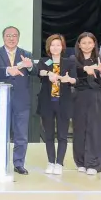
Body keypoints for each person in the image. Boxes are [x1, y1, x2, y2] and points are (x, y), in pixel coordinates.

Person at [0, 26, 34, 175]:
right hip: (2, 100)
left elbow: (33, 72)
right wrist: (8, 70)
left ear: (18, 38)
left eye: (14, 35)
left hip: (21, 100)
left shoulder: (26, 54)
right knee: (2, 133)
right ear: (3, 37)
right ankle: (2, 162)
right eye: (8, 35)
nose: (11, 38)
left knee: (21, 134)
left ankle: (19, 163)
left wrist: (30, 66)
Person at [37, 33, 76, 174]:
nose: (55, 47)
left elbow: (75, 79)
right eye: (52, 45)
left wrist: (69, 80)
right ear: (49, 47)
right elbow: (39, 72)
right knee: (48, 135)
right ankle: (50, 162)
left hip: (63, 103)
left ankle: (59, 163)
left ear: (62, 47)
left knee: (62, 135)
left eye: (58, 45)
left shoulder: (69, 62)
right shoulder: (44, 61)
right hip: (48, 103)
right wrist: (48, 74)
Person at [72, 31, 101, 175]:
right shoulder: (73, 59)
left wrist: (100, 73)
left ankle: (93, 164)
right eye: (84, 43)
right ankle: (80, 162)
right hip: (79, 97)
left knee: (95, 130)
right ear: (79, 45)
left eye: (90, 43)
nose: (87, 46)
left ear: (94, 44)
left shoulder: (100, 58)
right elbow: (74, 73)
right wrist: (86, 69)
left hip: (96, 96)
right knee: (79, 129)